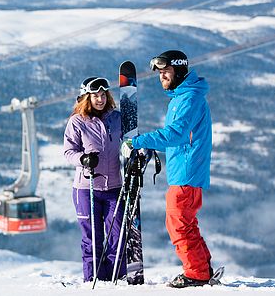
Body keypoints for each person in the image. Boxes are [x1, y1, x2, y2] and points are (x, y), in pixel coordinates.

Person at [126, 50, 214, 288]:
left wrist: (138, 142)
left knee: (178, 224)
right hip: (184, 171)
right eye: (160, 73)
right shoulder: (182, 97)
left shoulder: (188, 98)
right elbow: (182, 137)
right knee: (185, 222)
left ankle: (196, 274)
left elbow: (176, 134)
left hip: (187, 172)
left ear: (180, 70)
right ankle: (202, 268)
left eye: (167, 71)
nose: (162, 76)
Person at [63, 76, 125, 282]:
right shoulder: (77, 121)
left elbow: (129, 142)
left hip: (114, 188)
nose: (100, 99)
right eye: (95, 96)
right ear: (86, 98)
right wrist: (83, 159)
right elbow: (68, 152)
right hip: (86, 188)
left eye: (103, 95)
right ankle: (95, 280)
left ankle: (117, 278)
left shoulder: (117, 118)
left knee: (118, 235)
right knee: (92, 239)